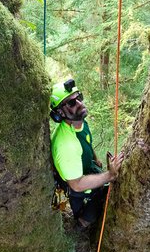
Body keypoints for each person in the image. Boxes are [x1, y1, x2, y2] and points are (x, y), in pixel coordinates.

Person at [49, 79, 123, 228]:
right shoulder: (66, 145)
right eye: (71, 103)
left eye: (79, 98)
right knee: (89, 214)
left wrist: (95, 157)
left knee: (102, 192)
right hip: (80, 187)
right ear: (59, 113)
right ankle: (82, 225)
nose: (80, 104)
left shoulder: (79, 121)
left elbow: (86, 141)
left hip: (87, 169)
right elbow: (76, 185)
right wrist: (110, 175)